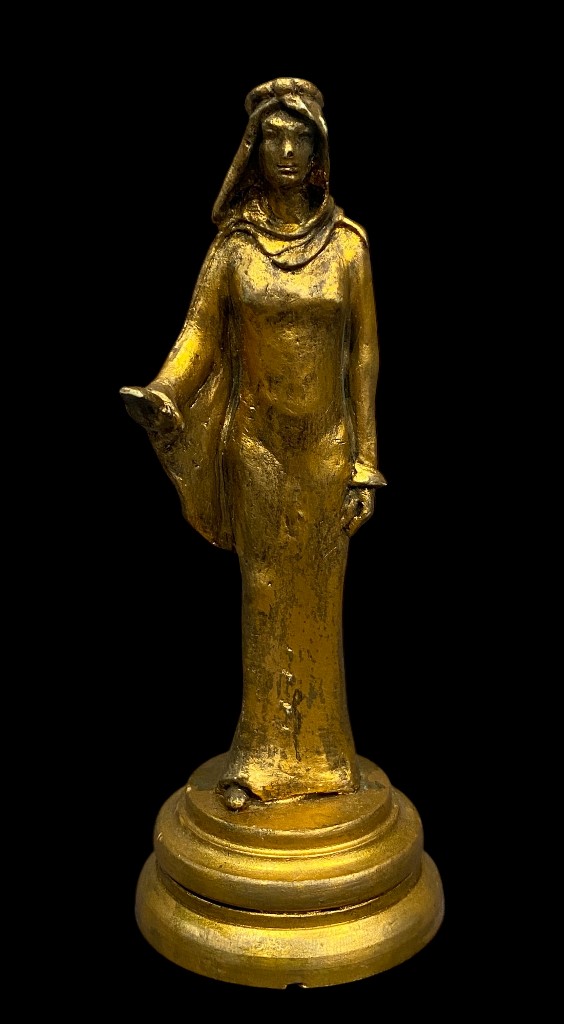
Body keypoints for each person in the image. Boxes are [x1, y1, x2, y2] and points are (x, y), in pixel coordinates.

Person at [121, 77, 386, 810]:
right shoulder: (234, 249)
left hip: (326, 450)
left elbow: (364, 355)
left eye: (300, 137)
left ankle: (325, 759)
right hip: (258, 449)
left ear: (320, 150)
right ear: (254, 149)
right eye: (274, 137)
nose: (288, 150)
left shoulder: (348, 245)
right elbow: (199, 336)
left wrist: (367, 461)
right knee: (265, 595)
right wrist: (166, 393)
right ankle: (263, 758)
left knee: (320, 598)